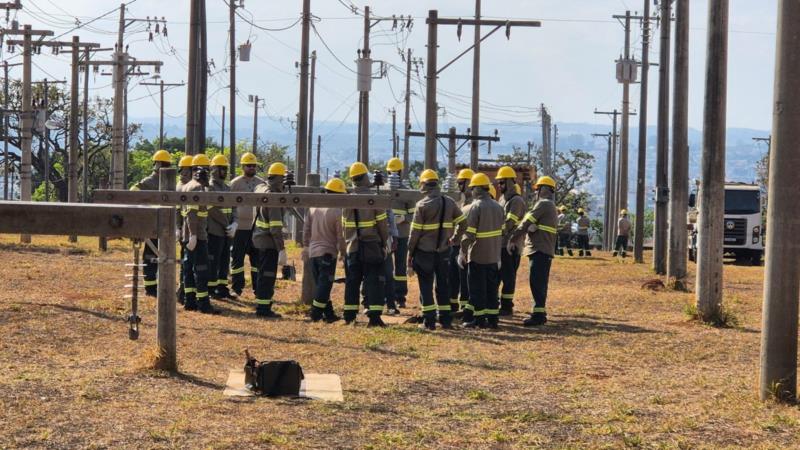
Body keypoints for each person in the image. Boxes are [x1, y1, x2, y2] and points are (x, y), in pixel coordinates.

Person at [407, 169, 466, 330]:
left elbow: (414, 234)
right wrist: (455, 238)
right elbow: (463, 222)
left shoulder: (422, 205)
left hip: (424, 253)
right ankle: (445, 320)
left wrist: (409, 254)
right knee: (443, 285)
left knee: (425, 286)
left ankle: (429, 321)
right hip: (444, 252)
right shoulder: (449, 202)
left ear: (424, 185)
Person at [342, 162, 390, 327]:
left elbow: (344, 227)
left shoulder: (347, 199)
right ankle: (374, 317)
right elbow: (382, 225)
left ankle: (349, 316)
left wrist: (347, 245)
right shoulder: (374, 198)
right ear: (364, 178)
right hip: (371, 247)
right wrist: (385, 244)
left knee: (352, 282)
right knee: (374, 281)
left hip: (353, 248)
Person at [511, 176, 558, 326]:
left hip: (540, 248)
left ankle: (538, 315)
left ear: (543, 189)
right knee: (539, 282)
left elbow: (526, 222)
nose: (536, 193)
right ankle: (539, 312)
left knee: (537, 282)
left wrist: (512, 238)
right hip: (543, 248)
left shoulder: (543, 204)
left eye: (537, 189)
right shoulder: (550, 205)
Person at [459, 173, 504, 329]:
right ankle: (493, 320)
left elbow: (469, 233)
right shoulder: (498, 206)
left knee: (477, 290)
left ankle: (479, 320)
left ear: (477, 189)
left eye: (472, 188)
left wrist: (462, 252)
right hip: (493, 255)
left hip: (477, 255)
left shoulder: (476, 206)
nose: (471, 192)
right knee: (492, 290)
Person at [303, 178, 347, 323]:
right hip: (328, 254)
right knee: (325, 285)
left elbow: (306, 229)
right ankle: (315, 313)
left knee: (321, 285)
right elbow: (340, 235)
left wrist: (306, 246)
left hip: (313, 253)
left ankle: (329, 314)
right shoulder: (336, 212)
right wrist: (343, 251)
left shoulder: (313, 207)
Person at [180, 154, 218, 314]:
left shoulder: (188, 185)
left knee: (188, 268)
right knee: (201, 269)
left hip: (188, 236)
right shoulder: (196, 188)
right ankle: (203, 303)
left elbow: (202, 210)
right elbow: (192, 214)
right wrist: (194, 235)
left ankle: (190, 301)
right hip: (197, 236)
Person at [130, 149, 172, 297]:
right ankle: (151, 287)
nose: (166, 167)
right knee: (150, 256)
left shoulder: (170, 181)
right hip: (152, 224)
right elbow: (132, 192)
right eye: (164, 164)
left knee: (166, 256)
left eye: (168, 164)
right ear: (157, 164)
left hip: (165, 225)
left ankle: (161, 285)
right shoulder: (149, 181)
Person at [252, 162, 288, 318]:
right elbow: (275, 227)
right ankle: (263, 308)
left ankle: (262, 304)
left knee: (262, 274)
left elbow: (259, 186)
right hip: (268, 242)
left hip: (259, 239)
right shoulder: (273, 197)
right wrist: (281, 249)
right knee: (267, 275)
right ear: (279, 179)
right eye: (284, 180)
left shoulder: (263, 189)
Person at [230, 152, 264, 297]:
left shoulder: (261, 183)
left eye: (253, 166)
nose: (251, 168)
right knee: (237, 259)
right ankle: (237, 287)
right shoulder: (235, 183)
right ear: (243, 167)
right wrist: (232, 223)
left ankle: (258, 288)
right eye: (248, 165)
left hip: (256, 228)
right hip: (240, 228)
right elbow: (229, 204)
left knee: (256, 259)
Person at [495, 166, 526, 316]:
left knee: (508, 277)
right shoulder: (502, 199)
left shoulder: (517, 201)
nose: (499, 186)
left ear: (509, 182)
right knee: (496, 276)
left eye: (501, 183)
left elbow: (509, 224)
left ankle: (507, 306)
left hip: (510, 245)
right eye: (499, 183)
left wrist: (493, 231)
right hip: (499, 244)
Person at [207, 155, 237, 300]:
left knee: (225, 260)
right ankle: (211, 288)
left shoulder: (227, 188)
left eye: (225, 168)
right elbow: (211, 209)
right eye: (221, 168)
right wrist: (227, 224)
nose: (224, 171)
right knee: (214, 260)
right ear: (213, 169)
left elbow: (234, 207)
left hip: (227, 231)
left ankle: (222, 287)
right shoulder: (209, 187)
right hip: (215, 231)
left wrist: (235, 223)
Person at [386, 157, 413, 308]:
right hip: (387, 234)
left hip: (402, 234)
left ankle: (400, 296)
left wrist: (403, 218)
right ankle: (387, 294)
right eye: (391, 172)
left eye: (395, 172)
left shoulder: (407, 193)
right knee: (386, 265)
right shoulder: (383, 190)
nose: (393, 175)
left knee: (400, 266)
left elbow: (413, 214)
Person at [449, 168, 474, 315]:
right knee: (453, 277)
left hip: (464, 243)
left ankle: (464, 307)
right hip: (455, 243)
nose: (459, 186)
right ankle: (453, 305)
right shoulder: (459, 200)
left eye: (461, 183)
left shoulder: (472, 203)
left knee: (464, 278)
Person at [176, 155, 194, 304]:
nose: (184, 174)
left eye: (187, 171)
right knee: (186, 263)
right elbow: (178, 211)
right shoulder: (180, 186)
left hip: (191, 230)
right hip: (185, 231)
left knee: (189, 263)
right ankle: (183, 291)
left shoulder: (193, 186)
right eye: (183, 171)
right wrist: (177, 228)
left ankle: (186, 291)